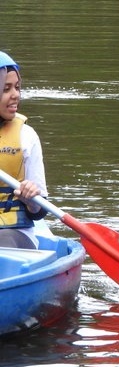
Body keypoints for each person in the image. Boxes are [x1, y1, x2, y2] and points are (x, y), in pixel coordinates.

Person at [0, 51, 48, 249]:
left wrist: (32, 201)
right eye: (6, 89)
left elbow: (38, 212)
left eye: (17, 88)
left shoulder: (27, 136)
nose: (16, 95)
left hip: (13, 235)